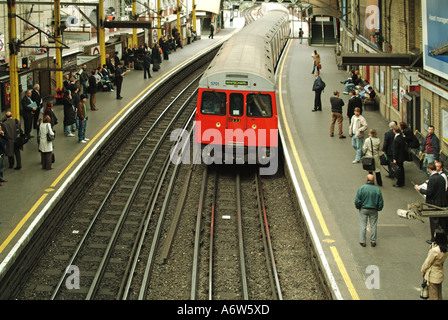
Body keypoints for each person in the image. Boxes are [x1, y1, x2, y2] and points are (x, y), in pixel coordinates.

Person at [415, 162, 448, 243]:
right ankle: (443, 238)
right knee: (442, 222)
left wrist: (420, 189)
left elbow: (429, 192)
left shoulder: (432, 179)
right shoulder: (441, 177)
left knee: (434, 222)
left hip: (433, 203)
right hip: (442, 202)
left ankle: (434, 239)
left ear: (429, 169)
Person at [354, 174, 384, 247]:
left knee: (363, 225)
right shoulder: (377, 190)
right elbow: (381, 202)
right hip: (373, 210)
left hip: (363, 209)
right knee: (373, 225)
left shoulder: (362, 188)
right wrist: (378, 208)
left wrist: (359, 207)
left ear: (367, 180)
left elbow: (357, 201)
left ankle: (362, 241)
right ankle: (373, 241)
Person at [421, 230, 448, 300]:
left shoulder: (434, 251)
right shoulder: (445, 249)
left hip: (433, 274)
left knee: (433, 295)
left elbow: (427, 262)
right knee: (439, 294)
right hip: (440, 273)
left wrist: (423, 271)